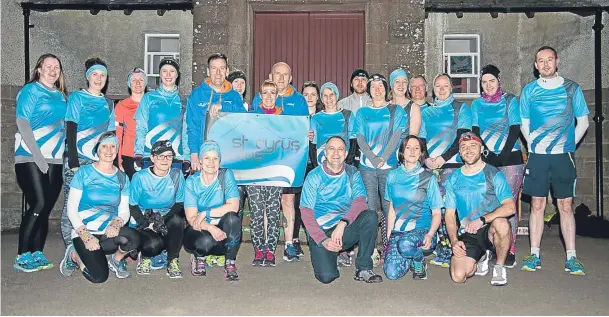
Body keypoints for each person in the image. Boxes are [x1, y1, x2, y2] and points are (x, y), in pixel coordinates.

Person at [519, 46, 589, 275]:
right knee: (537, 205)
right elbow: (524, 124)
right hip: (538, 157)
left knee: (565, 206)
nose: (546, 64)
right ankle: (534, 254)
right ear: (535, 65)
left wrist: (568, 146)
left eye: (550, 59)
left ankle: (572, 257)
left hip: (563, 156)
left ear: (557, 61)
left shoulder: (572, 89)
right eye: (541, 60)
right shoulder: (529, 91)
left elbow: (583, 122)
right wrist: (534, 147)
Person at [59, 132, 140, 283]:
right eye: (104, 146)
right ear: (97, 150)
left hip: (108, 233)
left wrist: (116, 224)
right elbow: (71, 209)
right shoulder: (84, 173)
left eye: (113, 146)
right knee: (99, 277)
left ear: (117, 151)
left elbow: (124, 210)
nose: (109, 151)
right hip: (85, 232)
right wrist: (86, 236)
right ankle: (74, 255)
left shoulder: (122, 177)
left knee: (134, 238)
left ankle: (115, 260)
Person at [300, 136, 383, 284]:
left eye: (340, 149)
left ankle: (363, 268)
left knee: (370, 216)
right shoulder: (314, 176)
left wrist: (342, 223)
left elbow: (360, 202)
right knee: (327, 277)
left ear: (345, 154)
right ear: (325, 153)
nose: (336, 153)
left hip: (344, 229)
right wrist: (323, 240)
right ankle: (334, 254)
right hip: (321, 231)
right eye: (331, 149)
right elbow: (306, 213)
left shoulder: (352, 173)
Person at [13, 54, 67, 272]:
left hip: (55, 159)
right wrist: (38, 158)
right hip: (30, 156)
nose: (53, 70)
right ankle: (22, 255)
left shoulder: (62, 96)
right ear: (39, 70)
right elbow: (22, 122)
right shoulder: (31, 90)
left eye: (57, 67)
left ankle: (37, 252)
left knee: (45, 208)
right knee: (38, 203)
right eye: (48, 66)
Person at [252, 62, 309, 262]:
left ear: (291, 78)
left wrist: (307, 133)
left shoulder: (299, 101)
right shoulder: (257, 102)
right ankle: (264, 246)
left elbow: (303, 128)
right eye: (278, 74)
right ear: (270, 75)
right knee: (263, 206)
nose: (282, 78)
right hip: (261, 164)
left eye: (286, 75)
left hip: (287, 161)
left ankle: (288, 243)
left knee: (286, 202)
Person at [471, 64, 524, 268]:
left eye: (492, 81)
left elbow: (514, 128)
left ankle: (509, 250)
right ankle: (490, 246)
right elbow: (475, 130)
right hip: (487, 159)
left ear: (499, 81)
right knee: (488, 204)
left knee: (507, 206)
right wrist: (488, 154)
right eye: (484, 82)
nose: (488, 85)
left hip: (510, 159)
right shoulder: (476, 104)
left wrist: (502, 155)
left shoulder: (510, 100)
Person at [445, 132, 515, 286]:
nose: (468, 150)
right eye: (464, 147)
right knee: (459, 276)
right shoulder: (454, 178)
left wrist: (482, 219)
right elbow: (449, 215)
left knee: (502, 223)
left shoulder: (493, 173)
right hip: (469, 232)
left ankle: (499, 266)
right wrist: (454, 241)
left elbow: (510, 207)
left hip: (490, 228)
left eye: (473, 146)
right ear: (460, 152)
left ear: (481, 148)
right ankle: (482, 256)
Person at [61, 57, 116, 248]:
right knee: (72, 205)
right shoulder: (77, 97)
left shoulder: (109, 103)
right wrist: (74, 164)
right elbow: (70, 129)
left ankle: (89, 245)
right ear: (87, 77)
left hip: (98, 163)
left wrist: (112, 165)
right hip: (78, 161)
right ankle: (70, 247)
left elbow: (111, 136)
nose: (99, 78)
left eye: (103, 75)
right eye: (95, 74)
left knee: (92, 204)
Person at [420, 73, 473, 268]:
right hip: (431, 166)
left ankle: (455, 249)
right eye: (438, 86)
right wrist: (426, 160)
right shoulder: (426, 112)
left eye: (445, 86)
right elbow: (422, 142)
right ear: (433, 90)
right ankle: (441, 247)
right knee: (435, 208)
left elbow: (462, 138)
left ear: (451, 88)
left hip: (452, 165)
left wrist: (443, 159)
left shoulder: (461, 109)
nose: (441, 90)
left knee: (449, 208)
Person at [355, 74, 407, 264]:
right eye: (373, 86)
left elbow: (397, 136)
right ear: (368, 90)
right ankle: (369, 250)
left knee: (388, 208)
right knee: (369, 210)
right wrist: (372, 158)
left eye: (380, 86)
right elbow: (359, 137)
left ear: (386, 89)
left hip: (389, 166)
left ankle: (390, 248)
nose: (377, 89)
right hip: (367, 167)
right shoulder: (361, 112)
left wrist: (383, 158)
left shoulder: (396, 110)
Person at [383, 136, 443, 280]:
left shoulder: (429, 178)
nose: (412, 151)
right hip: (399, 231)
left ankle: (418, 260)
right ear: (402, 151)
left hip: (422, 231)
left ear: (421, 153)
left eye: (417, 148)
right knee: (391, 274)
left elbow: (436, 213)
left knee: (405, 245)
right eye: (408, 147)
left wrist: (430, 234)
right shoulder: (392, 175)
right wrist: (389, 235)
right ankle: (409, 255)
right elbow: (392, 208)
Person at [183, 141, 242, 280]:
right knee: (204, 242)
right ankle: (199, 257)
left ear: (219, 161)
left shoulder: (226, 175)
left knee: (233, 218)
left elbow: (233, 206)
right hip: (201, 229)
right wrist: (210, 227)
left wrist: (205, 213)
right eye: (207, 158)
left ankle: (230, 262)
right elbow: (192, 218)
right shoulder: (192, 181)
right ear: (201, 161)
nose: (211, 162)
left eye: (215, 158)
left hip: (222, 229)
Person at [129, 140, 186, 278]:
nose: (165, 160)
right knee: (153, 246)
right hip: (143, 218)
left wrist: (162, 221)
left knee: (178, 221)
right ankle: (146, 256)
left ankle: (172, 259)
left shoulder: (177, 175)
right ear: (153, 158)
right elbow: (132, 205)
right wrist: (147, 224)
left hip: (165, 217)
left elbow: (179, 204)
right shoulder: (140, 177)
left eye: (169, 156)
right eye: (161, 156)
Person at [186, 53, 244, 173]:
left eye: (222, 68)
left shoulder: (235, 96)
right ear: (208, 71)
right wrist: (194, 154)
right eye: (214, 68)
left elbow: (244, 118)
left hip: (229, 156)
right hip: (205, 156)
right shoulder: (197, 95)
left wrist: (224, 106)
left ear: (227, 71)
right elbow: (192, 126)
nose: (218, 73)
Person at [249, 80, 285, 266]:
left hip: (275, 171)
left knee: (272, 212)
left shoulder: (284, 118)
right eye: (266, 93)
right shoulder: (250, 116)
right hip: (253, 172)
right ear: (260, 96)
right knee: (256, 211)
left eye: (273, 93)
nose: (269, 96)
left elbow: (291, 141)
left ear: (277, 96)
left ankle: (270, 249)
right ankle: (258, 248)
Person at [134, 58, 189, 174]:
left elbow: (186, 132)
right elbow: (141, 127)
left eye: (172, 71)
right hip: (151, 156)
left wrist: (187, 158)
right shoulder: (148, 98)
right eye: (164, 71)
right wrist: (138, 153)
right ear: (160, 74)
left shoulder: (184, 101)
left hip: (175, 158)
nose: (168, 74)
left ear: (177, 75)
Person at [310, 82, 357, 167]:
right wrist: (316, 167)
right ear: (321, 98)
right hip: (321, 163)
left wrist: (347, 165)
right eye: (325, 95)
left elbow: (353, 143)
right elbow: (312, 146)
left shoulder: (348, 115)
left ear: (337, 96)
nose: (329, 98)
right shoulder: (315, 118)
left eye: (332, 94)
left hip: (343, 162)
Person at [115, 68, 147, 179]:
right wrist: (118, 160)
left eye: (141, 80)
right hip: (128, 156)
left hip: (149, 155)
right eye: (134, 80)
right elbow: (118, 135)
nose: (138, 83)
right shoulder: (121, 105)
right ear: (129, 84)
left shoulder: (152, 104)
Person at [389, 68, 421, 136]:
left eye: (404, 82)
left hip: (404, 146)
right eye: (397, 81)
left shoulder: (414, 107)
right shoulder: (385, 106)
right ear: (391, 85)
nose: (401, 85)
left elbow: (413, 137)